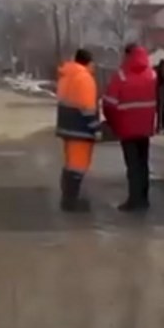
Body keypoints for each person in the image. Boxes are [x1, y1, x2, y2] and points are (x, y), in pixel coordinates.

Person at [103, 43, 158, 212]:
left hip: (127, 128)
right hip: (145, 128)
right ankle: (144, 199)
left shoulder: (121, 76)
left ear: (127, 55)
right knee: (143, 164)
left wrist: (112, 122)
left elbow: (109, 103)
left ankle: (134, 201)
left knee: (133, 165)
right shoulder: (152, 74)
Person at [55, 48, 101, 212]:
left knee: (70, 164)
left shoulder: (66, 76)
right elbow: (87, 108)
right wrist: (96, 128)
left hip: (67, 128)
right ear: (89, 62)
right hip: (80, 129)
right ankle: (71, 201)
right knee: (78, 166)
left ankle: (67, 197)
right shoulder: (85, 79)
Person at [154, 59, 164, 133]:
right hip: (163, 91)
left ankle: (159, 126)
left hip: (159, 91)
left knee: (159, 110)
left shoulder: (157, 70)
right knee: (162, 110)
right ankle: (162, 125)